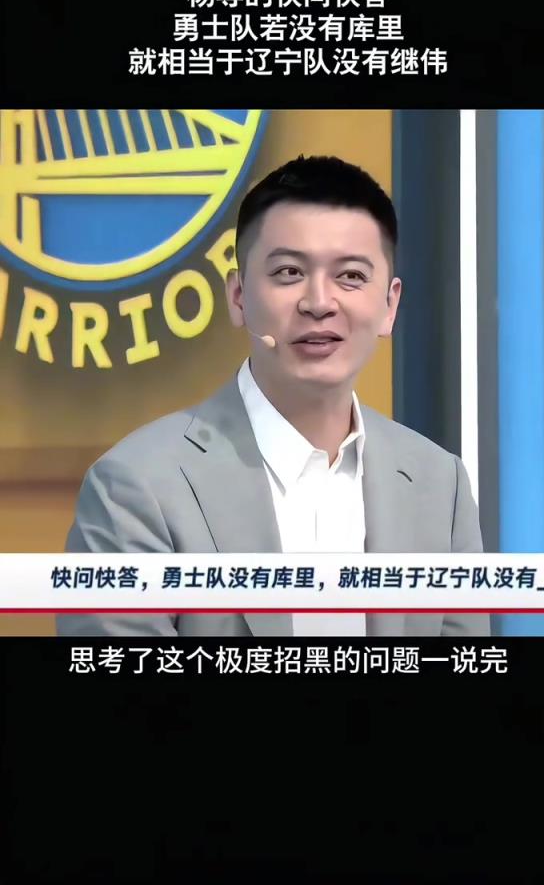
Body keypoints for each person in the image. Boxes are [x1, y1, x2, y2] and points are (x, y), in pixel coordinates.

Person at [57, 155, 489, 637]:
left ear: (389, 305)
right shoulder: (136, 486)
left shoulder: (440, 484)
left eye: (350, 276)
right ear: (239, 297)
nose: (319, 303)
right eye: (288, 272)